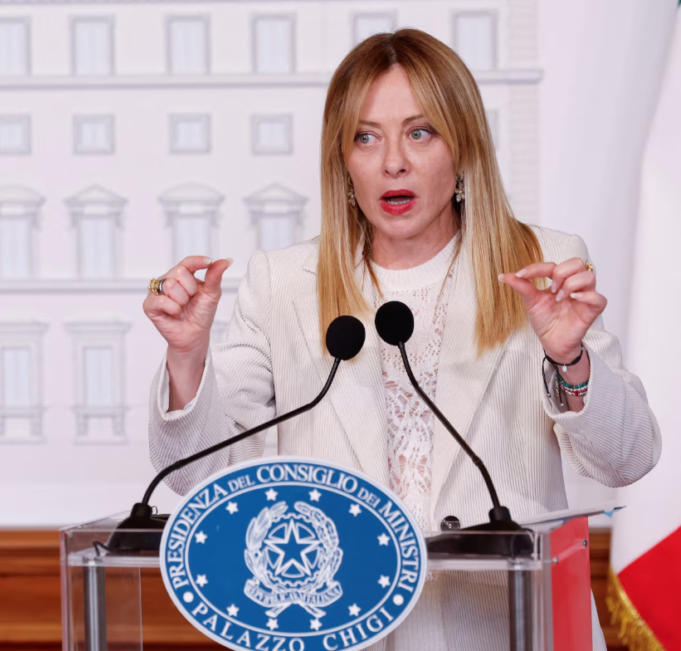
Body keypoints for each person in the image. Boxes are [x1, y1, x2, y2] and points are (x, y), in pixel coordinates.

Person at [142, 29, 660, 650]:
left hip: (509, 629)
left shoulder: (540, 265)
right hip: (343, 631)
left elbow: (628, 459)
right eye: (366, 137)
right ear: (343, 161)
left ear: (463, 147)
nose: (393, 162)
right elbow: (196, 474)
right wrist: (186, 356)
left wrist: (568, 357)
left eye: (420, 132)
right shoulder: (284, 284)